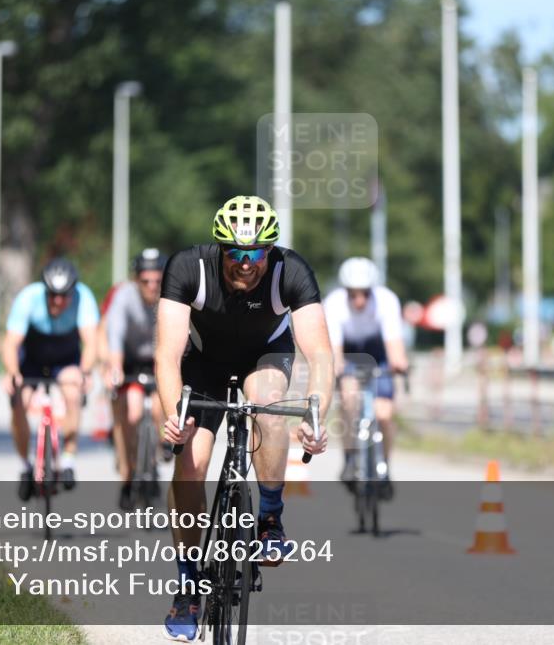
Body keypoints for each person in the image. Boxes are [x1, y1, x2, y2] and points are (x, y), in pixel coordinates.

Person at [156, 196, 332, 641]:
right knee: (190, 463)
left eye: (255, 253)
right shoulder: (187, 268)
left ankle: (270, 518)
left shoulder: (290, 271)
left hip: (264, 356)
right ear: (220, 250)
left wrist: (315, 414)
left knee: (271, 410)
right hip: (203, 363)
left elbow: (321, 353)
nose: (246, 263)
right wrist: (174, 413)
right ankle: (188, 584)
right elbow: (167, 353)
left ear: (269, 252)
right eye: (235, 252)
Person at [2, 257, 99, 499]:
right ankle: (25, 466)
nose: (57, 301)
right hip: (32, 360)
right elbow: (11, 343)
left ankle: (68, 459)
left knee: (73, 392)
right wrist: (13, 372)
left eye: (64, 295)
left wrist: (86, 372)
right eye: (52, 295)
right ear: (44, 290)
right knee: (19, 402)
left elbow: (91, 342)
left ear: (72, 292)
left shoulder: (83, 297)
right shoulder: (28, 298)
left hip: (65, 359)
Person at [323, 257, 409, 498]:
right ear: (345, 291)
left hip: (377, 351)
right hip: (349, 352)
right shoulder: (334, 303)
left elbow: (394, 344)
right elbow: (335, 351)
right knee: (350, 399)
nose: (359, 300)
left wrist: (399, 363)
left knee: (384, 413)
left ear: (373, 290)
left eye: (364, 294)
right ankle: (351, 457)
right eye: (353, 294)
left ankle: (384, 467)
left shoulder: (386, 300)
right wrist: (337, 369)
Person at [100, 248, 168, 510]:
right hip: (129, 361)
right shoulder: (124, 297)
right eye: (146, 281)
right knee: (131, 410)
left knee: (161, 407)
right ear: (136, 279)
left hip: (159, 361)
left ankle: (161, 445)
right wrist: (114, 367)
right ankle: (128, 473)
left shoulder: (170, 297)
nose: (152, 286)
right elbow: (114, 334)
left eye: (157, 281)